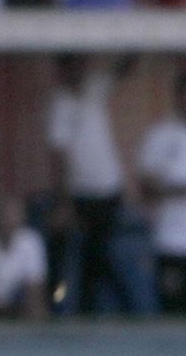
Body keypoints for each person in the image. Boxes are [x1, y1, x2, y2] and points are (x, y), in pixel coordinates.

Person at [44, 60, 130, 315]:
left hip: (108, 192)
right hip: (78, 196)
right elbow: (59, 159)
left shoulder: (95, 88)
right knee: (64, 257)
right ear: (62, 71)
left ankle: (92, 311)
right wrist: (63, 204)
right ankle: (57, 306)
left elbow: (124, 68)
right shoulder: (60, 105)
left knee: (99, 256)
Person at [134, 70, 186, 314]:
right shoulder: (160, 135)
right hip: (170, 242)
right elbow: (145, 185)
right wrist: (174, 189)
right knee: (172, 312)